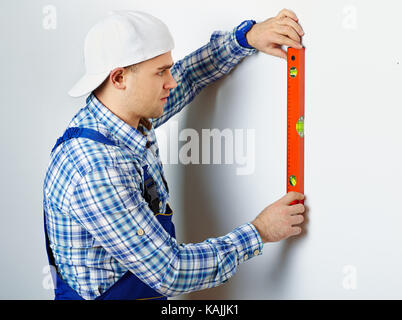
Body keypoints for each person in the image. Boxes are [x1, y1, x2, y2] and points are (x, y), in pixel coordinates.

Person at [43, 9, 306, 300]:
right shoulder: (97, 167)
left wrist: (245, 38)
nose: (170, 81)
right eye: (160, 72)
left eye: (167, 68)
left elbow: (188, 77)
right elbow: (171, 271)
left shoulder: (126, 118)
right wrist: (259, 231)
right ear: (119, 78)